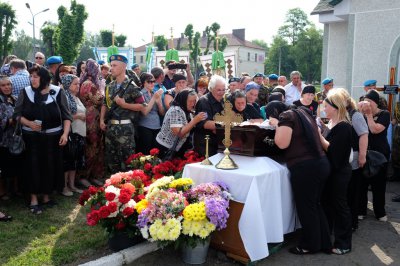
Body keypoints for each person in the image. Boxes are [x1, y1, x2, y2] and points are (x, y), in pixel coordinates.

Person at [265, 101, 331, 255]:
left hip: (305, 167)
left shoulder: (286, 116)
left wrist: (276, 124)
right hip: (320, 163)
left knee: (306, 207)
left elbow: (281, 143)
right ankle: (324, 242)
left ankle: (309, 245)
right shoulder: (303, 112)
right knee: (315, 204)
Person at [13, 65, 72, 214]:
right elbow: (17, 115)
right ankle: (33, 199)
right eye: (31, 76)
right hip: (31, 139)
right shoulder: (25, 92)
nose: (32, 79)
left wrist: (65, 134)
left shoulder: (57, 92)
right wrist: (29, 123)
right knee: (33, 167)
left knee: (50, 166)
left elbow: (66, 116)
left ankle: (46, 196)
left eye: (36, 76)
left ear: (44, 78)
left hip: (53, 138)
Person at [100, 54, 149, 174]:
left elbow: (143, 106)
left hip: (125, 129)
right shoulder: (109, 86)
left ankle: (128, 189)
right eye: (111, 65)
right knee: (112, 162)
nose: (111, 68)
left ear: (123, 67)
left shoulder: (132, 86)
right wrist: (101, 120)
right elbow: (105, 104)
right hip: (111, 127)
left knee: (127, 163)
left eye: (115, 65)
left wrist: (125, 105)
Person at [319, 90, 353, 255]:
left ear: (335, 107)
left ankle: (344, 244)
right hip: (333, 172)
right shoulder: (335, 124)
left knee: (340, 207)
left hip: (339, 173)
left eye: (326, 106)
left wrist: (319, 137)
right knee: (330, 206)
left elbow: (334, 151)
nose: (324, 109)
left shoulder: (344, 126)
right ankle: (329, 238)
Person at [335, 88, 368, 231]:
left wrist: (362, 156)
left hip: (353, 160)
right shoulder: (343, 114)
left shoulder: (355, 115)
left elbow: (364, 135)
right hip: (344, 160)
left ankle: (353, 223)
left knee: (352, 193)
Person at [358, 89, 390, 221]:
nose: (367, 104)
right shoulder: (361, 114)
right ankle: (361, 210)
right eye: (365, 102)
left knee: (378, 184)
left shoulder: (384, 114)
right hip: (364, 152)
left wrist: (369, 114)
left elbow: (375, 130)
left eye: (369, 102)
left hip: (380, 155)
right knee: (361, 183)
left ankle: (380, 212)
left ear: (376, 103)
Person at [156, 89, 207, 159]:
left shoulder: (186, 110)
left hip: (178, 149)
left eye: (194, 101)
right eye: (190, 101)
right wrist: (195, 120)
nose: (193, 104)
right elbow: (179, 133)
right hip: (166, 149)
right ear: (183, 100)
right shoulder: (175, 110)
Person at [78, 59, 104, 187]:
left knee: (93, 146)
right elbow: (99, 100)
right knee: (92, 147)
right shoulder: (90, 84)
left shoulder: (84, 81)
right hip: (91, 118)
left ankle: (91, 176)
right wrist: (103, 91)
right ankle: (85, 176)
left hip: (90, 116)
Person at [61, 74, 86, 196]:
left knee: (75, 161)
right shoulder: (65, 97)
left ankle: (72, 185)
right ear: (67, 85)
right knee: (68, 161)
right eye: (75, 84)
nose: (78, 86)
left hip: (80, 133)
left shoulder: (76, 97)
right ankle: (64, 187)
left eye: (78, 83)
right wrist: (78, 116)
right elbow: (63, 116)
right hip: (71, 132)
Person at [0, 76, 21, 201]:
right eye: (3, 85)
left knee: (15, 164)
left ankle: (15, 190)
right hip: (3, 140)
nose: (7, 87)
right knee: (4, 166)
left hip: (15, 139)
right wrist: (12, 120)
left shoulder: (15, 99)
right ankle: (3, 192)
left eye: (9, 84)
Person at [193, 75, 225, 156]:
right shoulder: (204, 101)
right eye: (218, 90)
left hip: (218, 143)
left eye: (223, 90)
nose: (221, 92)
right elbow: (206, 124)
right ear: (211, 89)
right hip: (205, 144)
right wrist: (226, 124)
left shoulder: (223, 101)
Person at [137, 73, 165, 154]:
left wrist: (159, 102)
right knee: (145, 151)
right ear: (143, 83)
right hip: (145, 126)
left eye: (153, 81)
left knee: (155, 151)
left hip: (156, 125)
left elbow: (162, 112)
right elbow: (145, 112)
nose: (152, 83)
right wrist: (153, 98)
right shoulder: (141, 94)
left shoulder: (154, 93)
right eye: (149, 82)